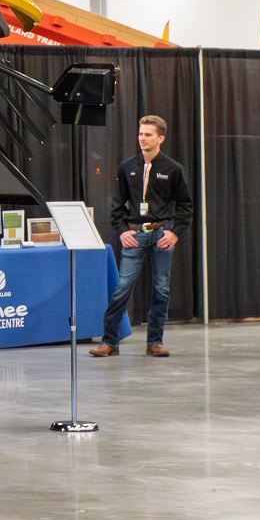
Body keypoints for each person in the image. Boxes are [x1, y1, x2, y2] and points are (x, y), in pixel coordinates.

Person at [90, 115, 193, 359]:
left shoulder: (173, 169)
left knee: (161, 288)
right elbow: (118, 203)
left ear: (161, 138)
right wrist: (122, 230)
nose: (142, 138)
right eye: (140, 134)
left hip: (162, 234)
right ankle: (109, 342)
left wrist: (174, 233)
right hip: (135, 234)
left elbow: (186, 206)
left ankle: (155, 342)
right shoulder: (127, 167)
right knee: (122, 287)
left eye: (148, 134)